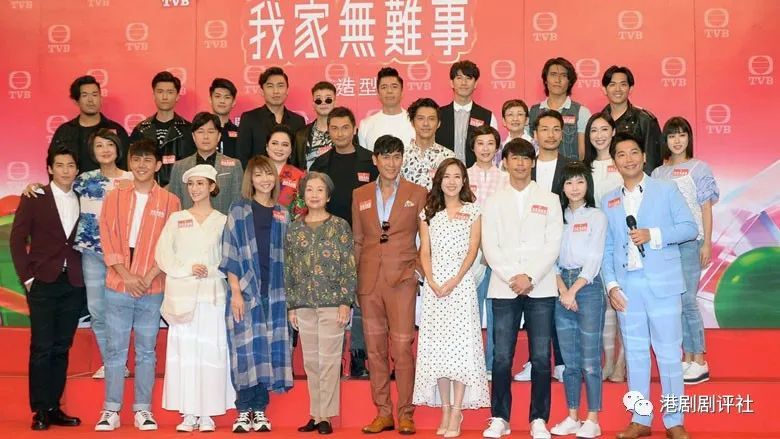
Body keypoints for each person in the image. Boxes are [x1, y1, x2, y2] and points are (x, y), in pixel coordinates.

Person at [602, 133, 697, 439]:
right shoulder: (608, 199)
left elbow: (689, 228)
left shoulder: (666, 189)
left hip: (663, 284)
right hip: (627, 287)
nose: (628, 159)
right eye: (621, 154)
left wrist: (653, 235)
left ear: (644, 157)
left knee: (669, 354)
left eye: (633, 152)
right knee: (635, 354)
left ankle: (675, 420)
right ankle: (640, 418)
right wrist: (611, 286)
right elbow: (606, 247)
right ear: (614, 162)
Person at [95, 139, 181, 432]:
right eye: (136, 159)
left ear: (158, 165)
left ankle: (143, 410)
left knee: (146, 351)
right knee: (115, 350)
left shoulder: (170, 201)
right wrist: (126, 275)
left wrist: (147, 277)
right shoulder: (114, 196)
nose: (141, 165)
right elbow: (107, 237)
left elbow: (171, 245)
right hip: (118, 284)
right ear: (129, 163)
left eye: (148, 160)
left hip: (151, 288)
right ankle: (110, 409)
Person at [481, 138, 563, 439]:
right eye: (514, 158)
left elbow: (553, 243)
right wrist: (511, 277)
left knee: (541, 357)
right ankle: (499, 417)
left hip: (540, 286)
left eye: (526, 158)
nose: (520, 164)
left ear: (533, 162)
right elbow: (489, 245)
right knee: (501, 356)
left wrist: (530, 276)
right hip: (504, 287)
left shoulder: (549, 199)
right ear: (505, 162)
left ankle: (538, 418)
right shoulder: (493, 201)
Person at [352, 135, 427, 435]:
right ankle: (383, 413)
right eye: (385, 157)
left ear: (402, 159)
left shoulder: (418, 193)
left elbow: (427, 238)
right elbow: (358, 240)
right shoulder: (360, 194)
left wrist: (417, 271)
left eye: (396, 156)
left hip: (402, 280)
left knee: (402, 348)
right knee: (374, 351)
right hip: (369, 281)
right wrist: (355, 279)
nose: (391, 163)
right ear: (375, 160)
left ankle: (406, 413)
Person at [10, 146, 85, 431]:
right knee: (42, 347)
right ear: (50, 169)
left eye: (71, 165)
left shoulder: (84, 198)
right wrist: (27, 279)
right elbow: (17, 240)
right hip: (42, 281)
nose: (66, 170)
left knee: (62, 347)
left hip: (74, 282)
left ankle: (54, 407)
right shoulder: (35, 197)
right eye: (60, 165)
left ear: (77, 170)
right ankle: (40, 410)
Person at [414, 158, 489, 438]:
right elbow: (424, 250)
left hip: (461, 286)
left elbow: (473, 249)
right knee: (438, 352)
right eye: (447, 176)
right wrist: (431, 281)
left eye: (457, 176)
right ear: (439, 180)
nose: (452, 181)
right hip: (434, 288)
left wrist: (455, 280)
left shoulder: (473, 211)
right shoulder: (428, 213)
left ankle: (457, 410)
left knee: (460, 350)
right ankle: (444, 408)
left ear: (464, 181)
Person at [156, 165, 235, 432]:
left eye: (201, 183)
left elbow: (230, 258)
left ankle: (208, 413)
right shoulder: (177, 219)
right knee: (185, 353)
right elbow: (163, 254)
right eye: (191, 184)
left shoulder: (223, 221)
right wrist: (187, 269)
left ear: (212, 187)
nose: (195, 189)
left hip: (212, 295)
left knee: (212, 351)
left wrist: (210, 270)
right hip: (183, 296)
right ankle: (188, 412)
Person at [220, 155, 293, 433]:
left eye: (269, 174)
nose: (264, 180)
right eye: (258, 174)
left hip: (274, 293)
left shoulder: (282, 213)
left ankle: (260, 410)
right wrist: (236, 292)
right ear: (250, 178)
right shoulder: (239, 209)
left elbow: (289, 257)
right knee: (244, 350)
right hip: (245, 292)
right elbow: (230, 252)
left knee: (266, 350)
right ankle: (243, 410)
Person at [285, 172, 356, 435]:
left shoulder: (339, 226)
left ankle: (326, 415)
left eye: (320, 190)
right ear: (302, 195)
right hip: (303, 303)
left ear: (328, 196)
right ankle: (315, 414)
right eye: (309, 190)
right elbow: (289, 269)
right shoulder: (294, 228)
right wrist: (292, 305)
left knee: (329, 361)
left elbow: (349, 266)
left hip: (332, 303)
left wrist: (346, 301)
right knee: (311, 363)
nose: (314, 194)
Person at [651, 117, 720, 385]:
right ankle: (687, 358)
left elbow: (706, 207)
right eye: (672, 136)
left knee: (688, 301)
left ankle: (699, 361)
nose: (677, 141)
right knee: (675, 303)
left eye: (682, 135)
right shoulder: (658, 173)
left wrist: (707, 243)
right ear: (665, 140)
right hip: (665, 246)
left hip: (691, 243)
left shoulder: (699, 168)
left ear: (689, 138)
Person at [311, 107, 377, 377]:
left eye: (345, 128)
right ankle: (334, 356)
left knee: (361, 301)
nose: (340, 133)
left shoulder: (370, 161)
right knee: (331, 302)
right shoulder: (320, 164)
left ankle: (359, 357)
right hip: (328, 243)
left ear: (354, 129)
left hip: (364, 240)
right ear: (328, 131)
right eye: (334, 128)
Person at [548, 162, 607, 439]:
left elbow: (595, 258)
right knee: (569, 361)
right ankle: (572, 416)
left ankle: (593, 419)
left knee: (590, 359)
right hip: (560, 286)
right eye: (569, 182)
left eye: (580, 182)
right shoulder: (555, 217)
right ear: (561, 187)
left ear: (588, 185)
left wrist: (573, 291)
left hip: (589, 287)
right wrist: (563, 289)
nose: (574, 188)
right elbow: (550, 256)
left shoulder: (596, 216)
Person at [582, 112, 626, 382]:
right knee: (606, 307)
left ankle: (622, 362)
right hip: (593, 243)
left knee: (623, 302)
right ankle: (608, 361)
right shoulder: (584, 167)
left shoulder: (622, 161)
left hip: (620, 241)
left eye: (604, 129)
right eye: (593, 131)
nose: (599, 135)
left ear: (613, 132)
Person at [465, 125, 507, 380]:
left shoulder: (505, 178)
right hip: (469, 255)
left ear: (497, 147)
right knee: (470, 312)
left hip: (497, 256)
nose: (485, 148)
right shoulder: (462, 176)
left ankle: (491, 365)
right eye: (480, 143)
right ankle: (470, 364)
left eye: (490, 143)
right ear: (473, 147)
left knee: (495, 314)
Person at [49, 75, 130, 173]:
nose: (90, 100)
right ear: (76, 101)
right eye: (85, 95)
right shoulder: (65, 131)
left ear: (101, 98)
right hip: (73, 183)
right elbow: (54, 164)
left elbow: (125, 165)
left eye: (95, 95)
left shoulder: (116, 130)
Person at [167, 112, 243, 215]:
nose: (206, 136)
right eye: (200, 131)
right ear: (193, 136)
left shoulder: (234, 166)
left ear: (219, 136)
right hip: (188, 224)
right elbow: (174, 205)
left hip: (223, 224)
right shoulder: (179, 167)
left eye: (211, 132)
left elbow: (237, 206)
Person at [129, 71, 195, 187]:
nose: (164, 97)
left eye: (170, 92)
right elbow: (131, 166)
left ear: (177, 96)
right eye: (160, 92)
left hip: (179, 191)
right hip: (146, 190)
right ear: (154, 95)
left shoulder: (188, 130)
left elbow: (192, 166)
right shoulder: (140, 130)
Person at [236, 66, 305, 167]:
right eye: (270, 86)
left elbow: (299, 159)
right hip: (258, 176)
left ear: (287, 90)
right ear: (262, 91)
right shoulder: (249, 119)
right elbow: (242, 157)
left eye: (280, 86)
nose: (276, 91)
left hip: (290, 177)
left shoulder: (298, 121)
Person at [435, 60, 498, 167]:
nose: (464, 83)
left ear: (475, 83)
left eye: (468, 78)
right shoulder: (438, 115)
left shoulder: (487, 116)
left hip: (476, 174)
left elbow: (493, 150)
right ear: (452, 83)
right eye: (459, 78)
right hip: (445, 173)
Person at [601, 65, 662, 173]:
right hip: (605, 180)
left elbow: (653, 162)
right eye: (612, 84)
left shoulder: (645, 120)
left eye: (623, 84)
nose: (618, 89)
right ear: (604, 89)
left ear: (631, 89)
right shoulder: (598, 121)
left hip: (636, 180)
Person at [529, 57, 592, 161]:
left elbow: (583, 154)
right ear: (545, 80)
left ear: (570, 81)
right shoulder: (533, 111)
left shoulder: (581, 112)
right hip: (540, 169)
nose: (558, 80)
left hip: (570, 170)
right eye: (553, 74)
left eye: (563, 75)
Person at [401, 97, 455, 190]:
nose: (426, 123)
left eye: (431, 119)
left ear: (438, 124)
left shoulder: (448, 156)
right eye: (420, 118)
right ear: (412, 122)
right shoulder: (401, 156)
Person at [357, 67, 415, 151]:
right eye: (384, 87)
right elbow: (364, 158)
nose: (389, 91)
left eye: (394, 86)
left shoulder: (414, 122)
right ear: (378, 93)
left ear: (402, 91)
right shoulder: (366, 125)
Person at [532, 109, 576, 199]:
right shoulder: (527, 167)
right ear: (535, 135)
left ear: (561, 135)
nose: (551, 135)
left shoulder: (573, 167)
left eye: (556, 129)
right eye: (545, 129)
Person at [293, 81, 337, 170]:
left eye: (328, 99)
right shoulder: (301, 135)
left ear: (335, 102)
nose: (323, 103)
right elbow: (296, 167)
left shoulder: (345, 133)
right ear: (313, 104)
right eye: (318, 100)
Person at [264, 124, 306, 215]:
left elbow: (302, 211)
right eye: (274, 143)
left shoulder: (300, 176)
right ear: (267, 147)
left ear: (291, 149)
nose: (279, 148)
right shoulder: (255, 172)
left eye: (285, 145)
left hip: (289, 223)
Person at [208, 78, 240, 159]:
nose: (222, 101)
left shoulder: (240, 133)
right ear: (210, 99)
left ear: (234, 102)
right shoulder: (200, 131)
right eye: (217, 96)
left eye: (227, 97)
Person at [499, 99, 534, 164]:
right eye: (510, 114)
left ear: (526, 120)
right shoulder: (499, 149)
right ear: (504, 121)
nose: (515, 119)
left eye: (520, 114)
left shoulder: (536, 146)